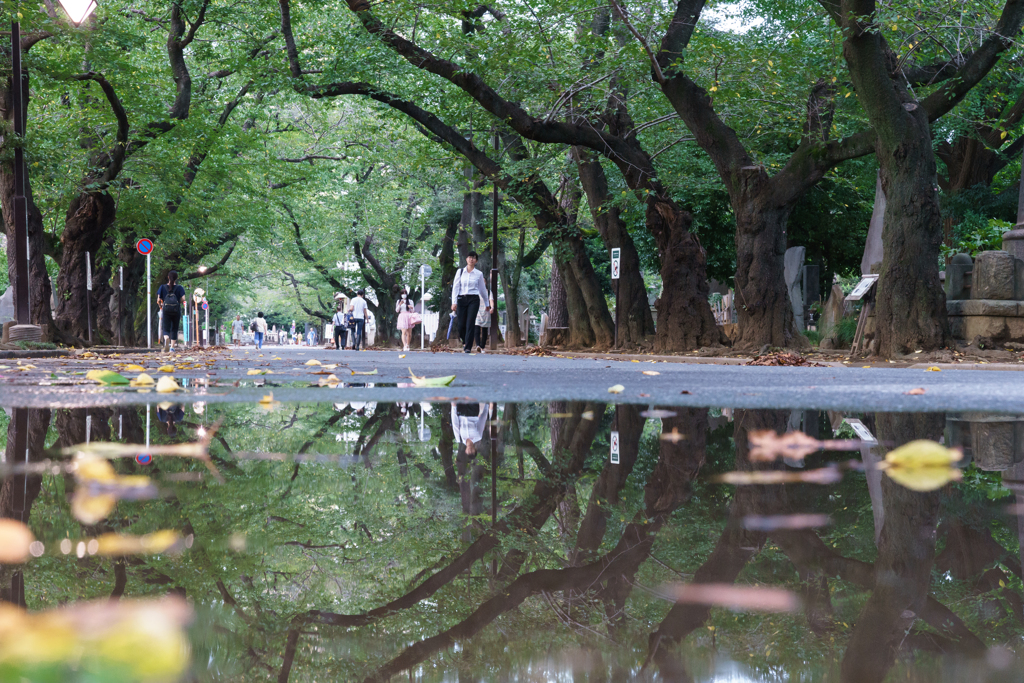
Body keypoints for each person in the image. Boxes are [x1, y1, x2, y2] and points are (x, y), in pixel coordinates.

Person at [451, 252, 491, 354]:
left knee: (470, 323)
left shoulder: (479, 274)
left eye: (473, 258)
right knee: (461, 325)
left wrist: (487, 303)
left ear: (476, 261)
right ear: (466, 259)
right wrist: (454, 302)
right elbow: (455, 287)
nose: (471, 259)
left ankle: (468, 347)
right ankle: (464, 340)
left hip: (473, 299)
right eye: (469, 257)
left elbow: (482, 290)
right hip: (461, 299)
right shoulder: (460, 272)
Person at [157, 271, 186, 353]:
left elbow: (158, 299)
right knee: (174, 328)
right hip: (176, 310)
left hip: (166, 310)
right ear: (176, 278)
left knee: (166, 327)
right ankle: (172, 348)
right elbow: (183, 299)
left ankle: (166, 339)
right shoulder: (179, 288)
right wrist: (177, 302)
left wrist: (160, 306)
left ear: (168, 277)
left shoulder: (162, 287)